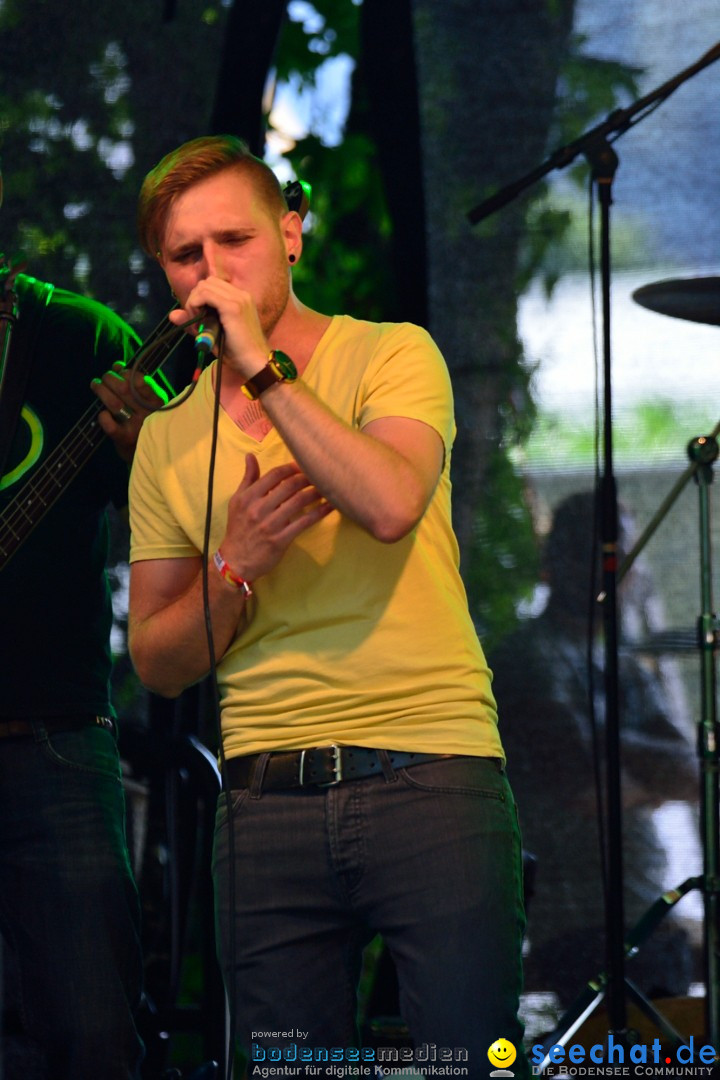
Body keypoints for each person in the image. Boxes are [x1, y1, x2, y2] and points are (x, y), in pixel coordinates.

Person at [127, 135, 528, 1077]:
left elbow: (390, 503)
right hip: (266, 804)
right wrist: (236, 565)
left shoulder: (391, 354)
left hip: (430, 772)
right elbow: (157, 658)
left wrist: (264, 369)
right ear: (166, 275)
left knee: (461, 1064)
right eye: (189, 255)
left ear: (292, 233)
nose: (214, 269)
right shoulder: (166, 439)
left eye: (237, 239)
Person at [0, 266, 166, 1079]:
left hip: (53, 741)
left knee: (96, 1037)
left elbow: (175, 512)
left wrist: (149, 445)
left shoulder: (83, 337)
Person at [488, 490, 698, 1009]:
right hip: (576, 927)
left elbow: (690, 773)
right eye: (600, 557)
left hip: (648, 914)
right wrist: (642, 778)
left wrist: (601, 740)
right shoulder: (526, 658)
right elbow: (581, 784)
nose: (616, 575)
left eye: (622, 558)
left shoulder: (622, 663)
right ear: (554, 564)